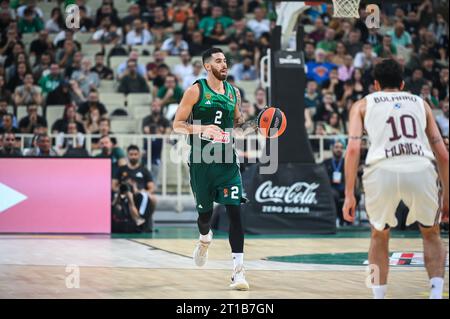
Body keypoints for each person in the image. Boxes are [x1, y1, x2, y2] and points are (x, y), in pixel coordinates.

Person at [343, 59, 449, 299]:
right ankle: (435, 294)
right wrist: (448, 197)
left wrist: (349, 194)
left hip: (381, 168)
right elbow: (443, 154)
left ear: (375, 85)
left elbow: (352, 150)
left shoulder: (362, 104)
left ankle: (378, 296)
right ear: (402, 84)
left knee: (378, 235)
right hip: (420, 166)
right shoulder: (420, 103)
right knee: (431, 233)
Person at [173, 48, 250, 291]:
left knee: (235, 212)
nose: (224, 64)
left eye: (225, 61)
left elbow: (239, 125)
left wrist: (258, 124)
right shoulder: (195, 90)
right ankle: (204, 238)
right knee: (205, 217)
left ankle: (238, 272)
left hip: (227, 162)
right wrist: (202, 128)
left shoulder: (233, 92)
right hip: (201, 164)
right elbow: (177, 125)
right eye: (218, 61)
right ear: (207, 66)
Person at [112, 145, 157, 232]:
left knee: (153, 199)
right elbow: (113, 186)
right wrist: (121, 189)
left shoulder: (144, 170)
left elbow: (152, 187)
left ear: (139, 155)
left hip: (139, 194)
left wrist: (144, 191)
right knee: (129, 195)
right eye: (131, 154)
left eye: (135, 154)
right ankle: (138, 219)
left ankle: (144, 219)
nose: (133, 156)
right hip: (123, 194)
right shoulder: (121, 169)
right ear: (127, 155)